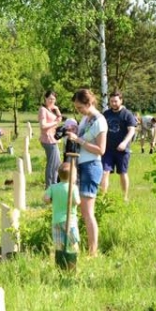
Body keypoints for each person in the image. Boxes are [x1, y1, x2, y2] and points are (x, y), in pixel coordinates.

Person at [65, 89, 107, 256]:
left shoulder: (100, 121)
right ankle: (84, 247)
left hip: (91, 167)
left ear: (89, 103)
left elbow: (101, 150)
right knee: (83, 211)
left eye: (80, 107)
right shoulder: (85, 118)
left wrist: (79, 140)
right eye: (77, 108)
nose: (79, 111)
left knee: (88, 213)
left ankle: (93, 252)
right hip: (81, 165)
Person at [101, 92, 137, 199]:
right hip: (108, 149)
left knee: (123, 173)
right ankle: (103, 197)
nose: (113, 103)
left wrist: (124, 143)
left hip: (122, 150)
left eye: (116, 101)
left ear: (121, 101)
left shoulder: (127, 114)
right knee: (104, 172)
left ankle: (125, 197)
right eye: (111, 101)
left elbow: (132, 130)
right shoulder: (106, 114)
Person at [43, 162, 80, 255]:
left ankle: (60, 259)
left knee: (59, 244)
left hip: (56, 221)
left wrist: (50, 200)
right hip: (70, 220)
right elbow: (77, 201)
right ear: (72, 177)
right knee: (73, 242)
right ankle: (74, 257)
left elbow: (45, 198)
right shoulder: (73, 188)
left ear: (59, 175)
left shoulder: (53, 187)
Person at [38, 90, 62, 188]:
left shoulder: (51, 109)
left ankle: (54, 183)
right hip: (48, 140)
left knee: (57, 163)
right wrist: (55, 122)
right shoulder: (43, 110)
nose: (52, 101)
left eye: (53, 99)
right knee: (52, 164)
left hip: (53, 139)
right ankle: (49, 185)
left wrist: (57, 109)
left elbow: (59, 118)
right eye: (50, 99)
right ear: (45, 98)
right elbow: (43, 125)